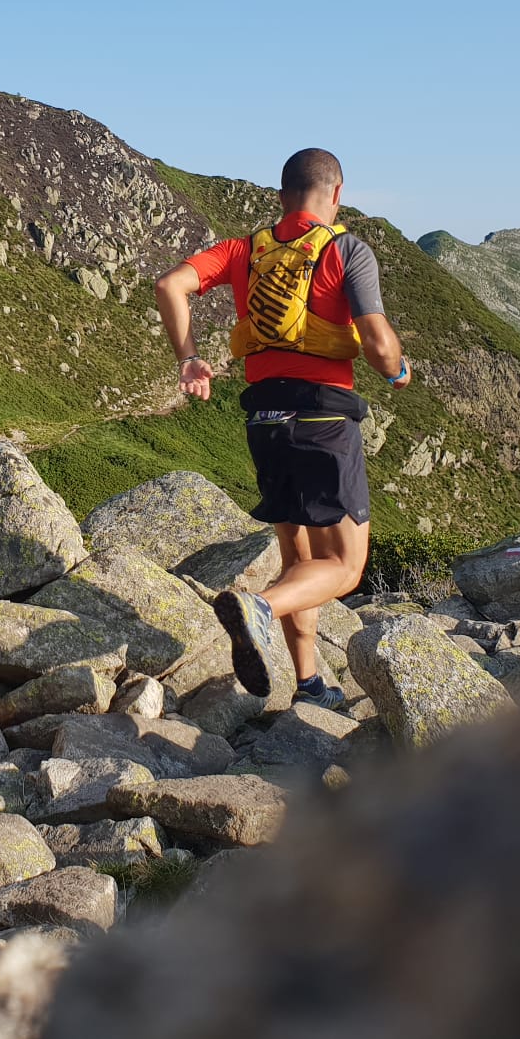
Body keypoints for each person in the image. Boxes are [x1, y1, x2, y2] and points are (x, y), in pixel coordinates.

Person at [153, 147, 409, 708]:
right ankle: (261, 608)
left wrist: (188, 357)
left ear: (281, 195)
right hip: (322, 419)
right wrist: (398, 373)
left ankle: (309, 682)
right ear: (336, 194)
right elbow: (380, 342)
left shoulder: (245, 251)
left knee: (301, 562)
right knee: (343, 565)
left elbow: (170, 285)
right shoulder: (346, 249)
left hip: (263, 421)